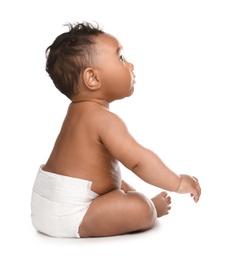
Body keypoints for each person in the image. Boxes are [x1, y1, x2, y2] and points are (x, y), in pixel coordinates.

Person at [31, 21, 201, 238]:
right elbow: (139, 161)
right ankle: (152, 208)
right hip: (72, 213)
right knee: (141, 207)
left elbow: (95, 171)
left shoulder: (76, 113)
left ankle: (128, 203)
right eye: (120, 58)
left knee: (114, 182)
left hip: (47, 202)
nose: (130, 65)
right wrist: (177, 182)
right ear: (92, 78)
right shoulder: (103, 119)